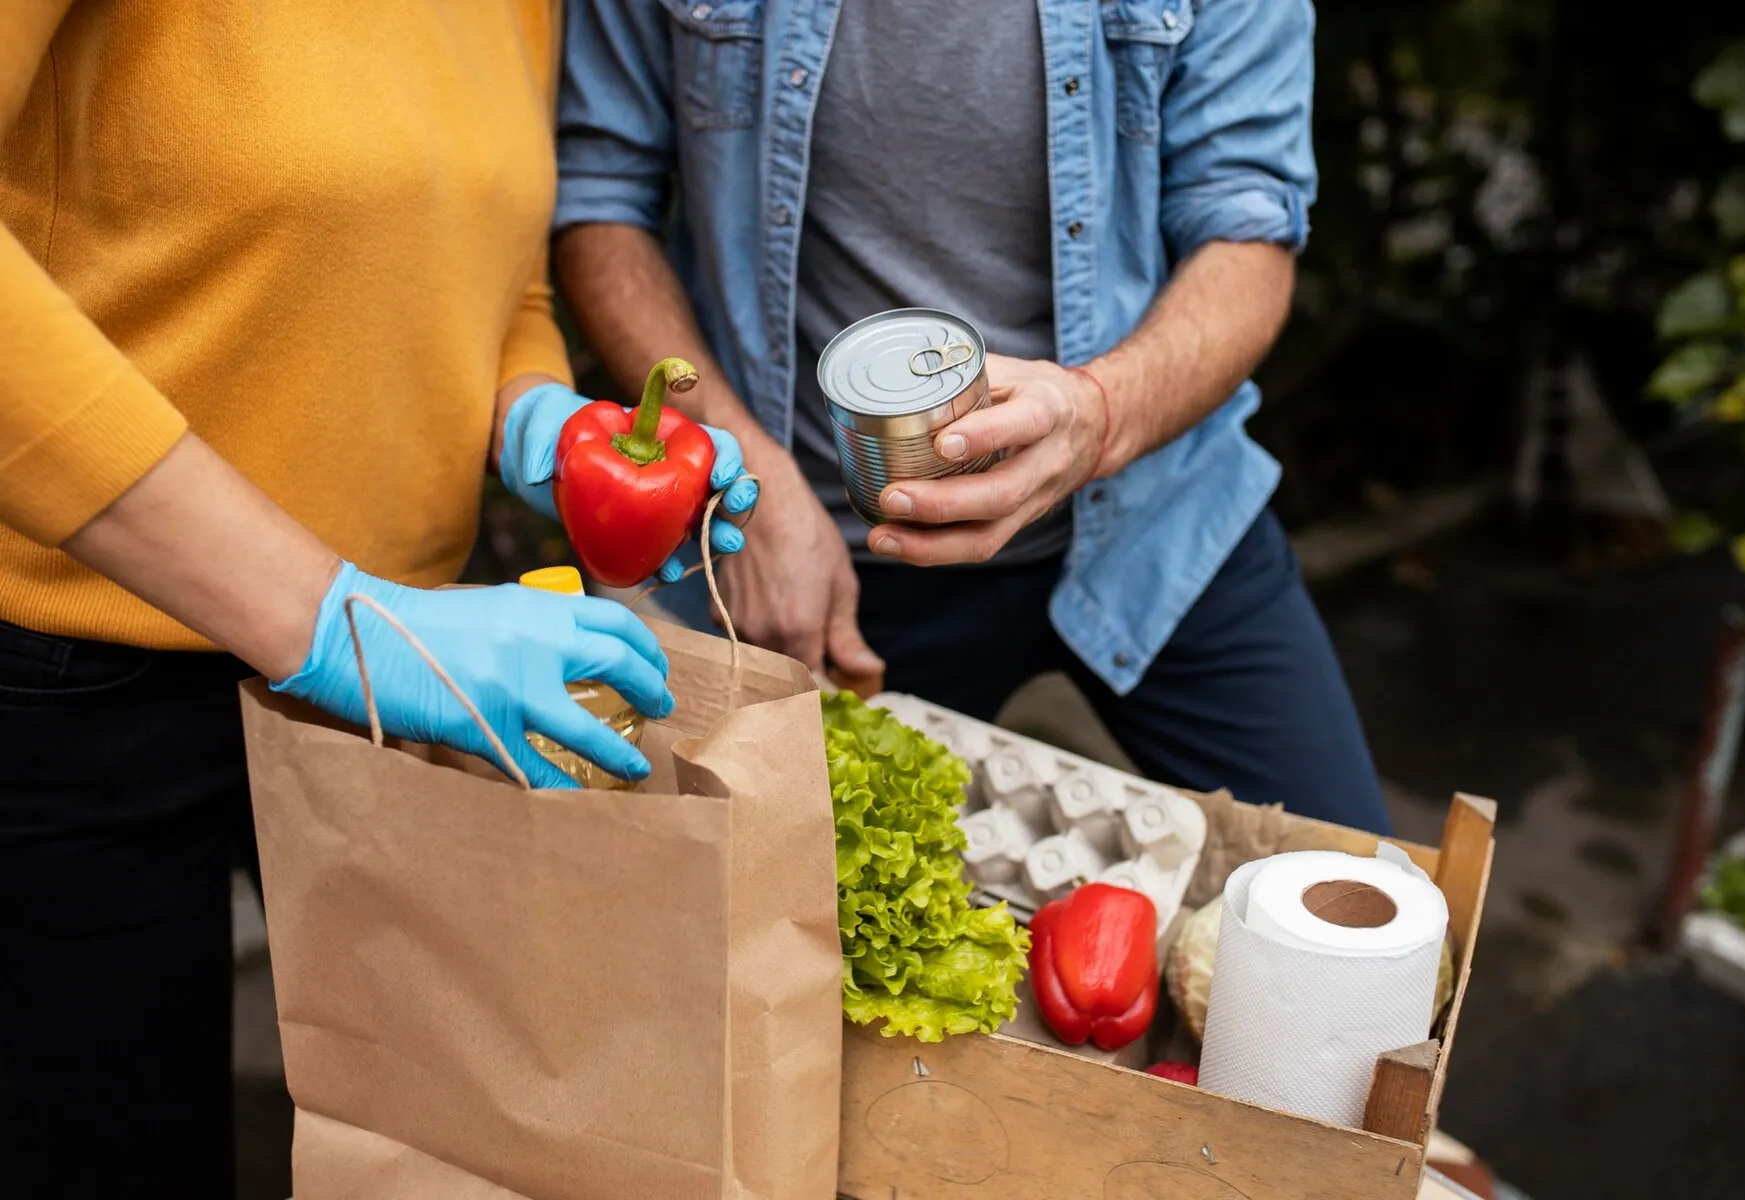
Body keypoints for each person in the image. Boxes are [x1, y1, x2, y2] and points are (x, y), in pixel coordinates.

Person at [0, 3, 753, 1194]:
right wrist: (329, 619)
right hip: (81, 670)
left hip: (409, 666)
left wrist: (535, 416)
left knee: (430, 1145)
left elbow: (490, 275)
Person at [553, 0, 1391, 832]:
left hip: (1156, 524)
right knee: (762, 894)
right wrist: (749, 489)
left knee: (1356, 882)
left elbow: (1248, 231)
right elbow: (600, 200)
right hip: (821, 556)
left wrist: (1100, 414)